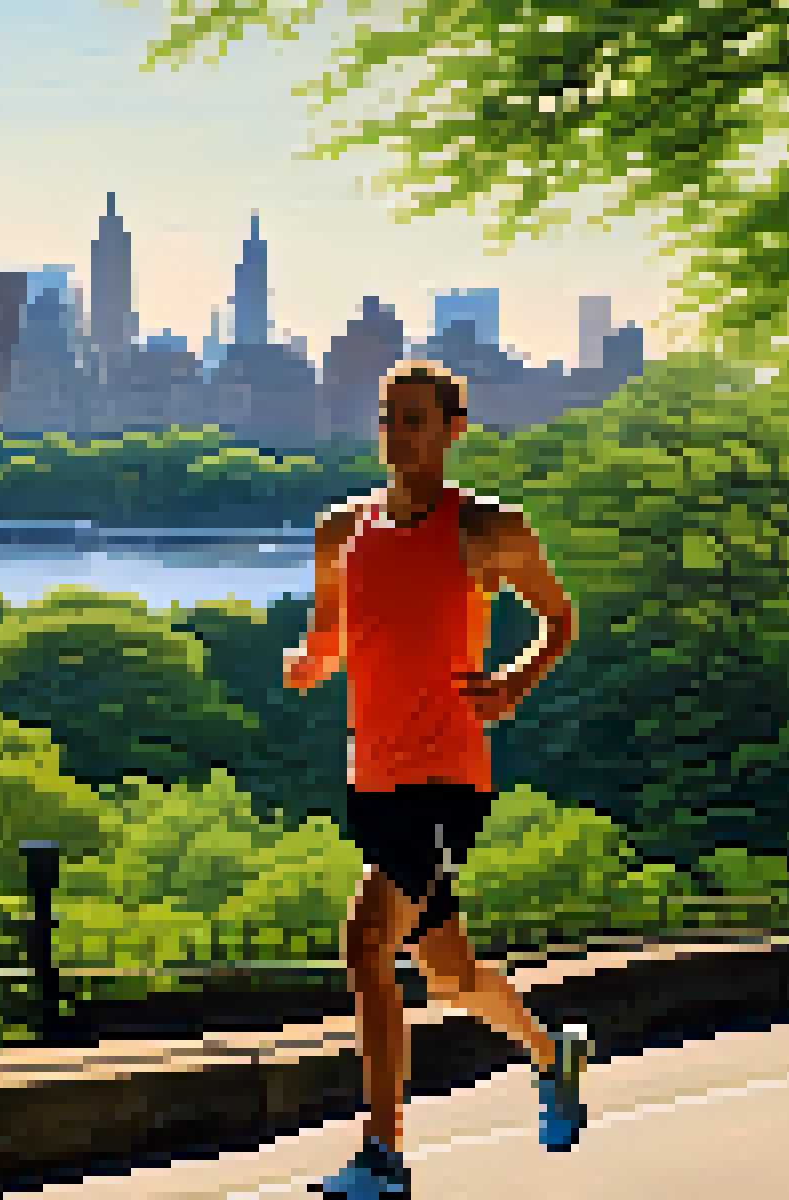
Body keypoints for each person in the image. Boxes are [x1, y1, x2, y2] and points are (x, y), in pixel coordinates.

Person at [282, 363, 590, 1197]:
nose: (398, 435)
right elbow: (331, 634)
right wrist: (310, 663)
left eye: (415, 420)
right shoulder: (338, 531)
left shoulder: (489, 530)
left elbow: (558, 619)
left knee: (365, 936)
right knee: (449, 974)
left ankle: (381, 1154)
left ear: (454, 430)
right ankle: (549, 1053)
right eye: (388, 419)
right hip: (373, 778)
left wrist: (515, 684)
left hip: (449, 776)